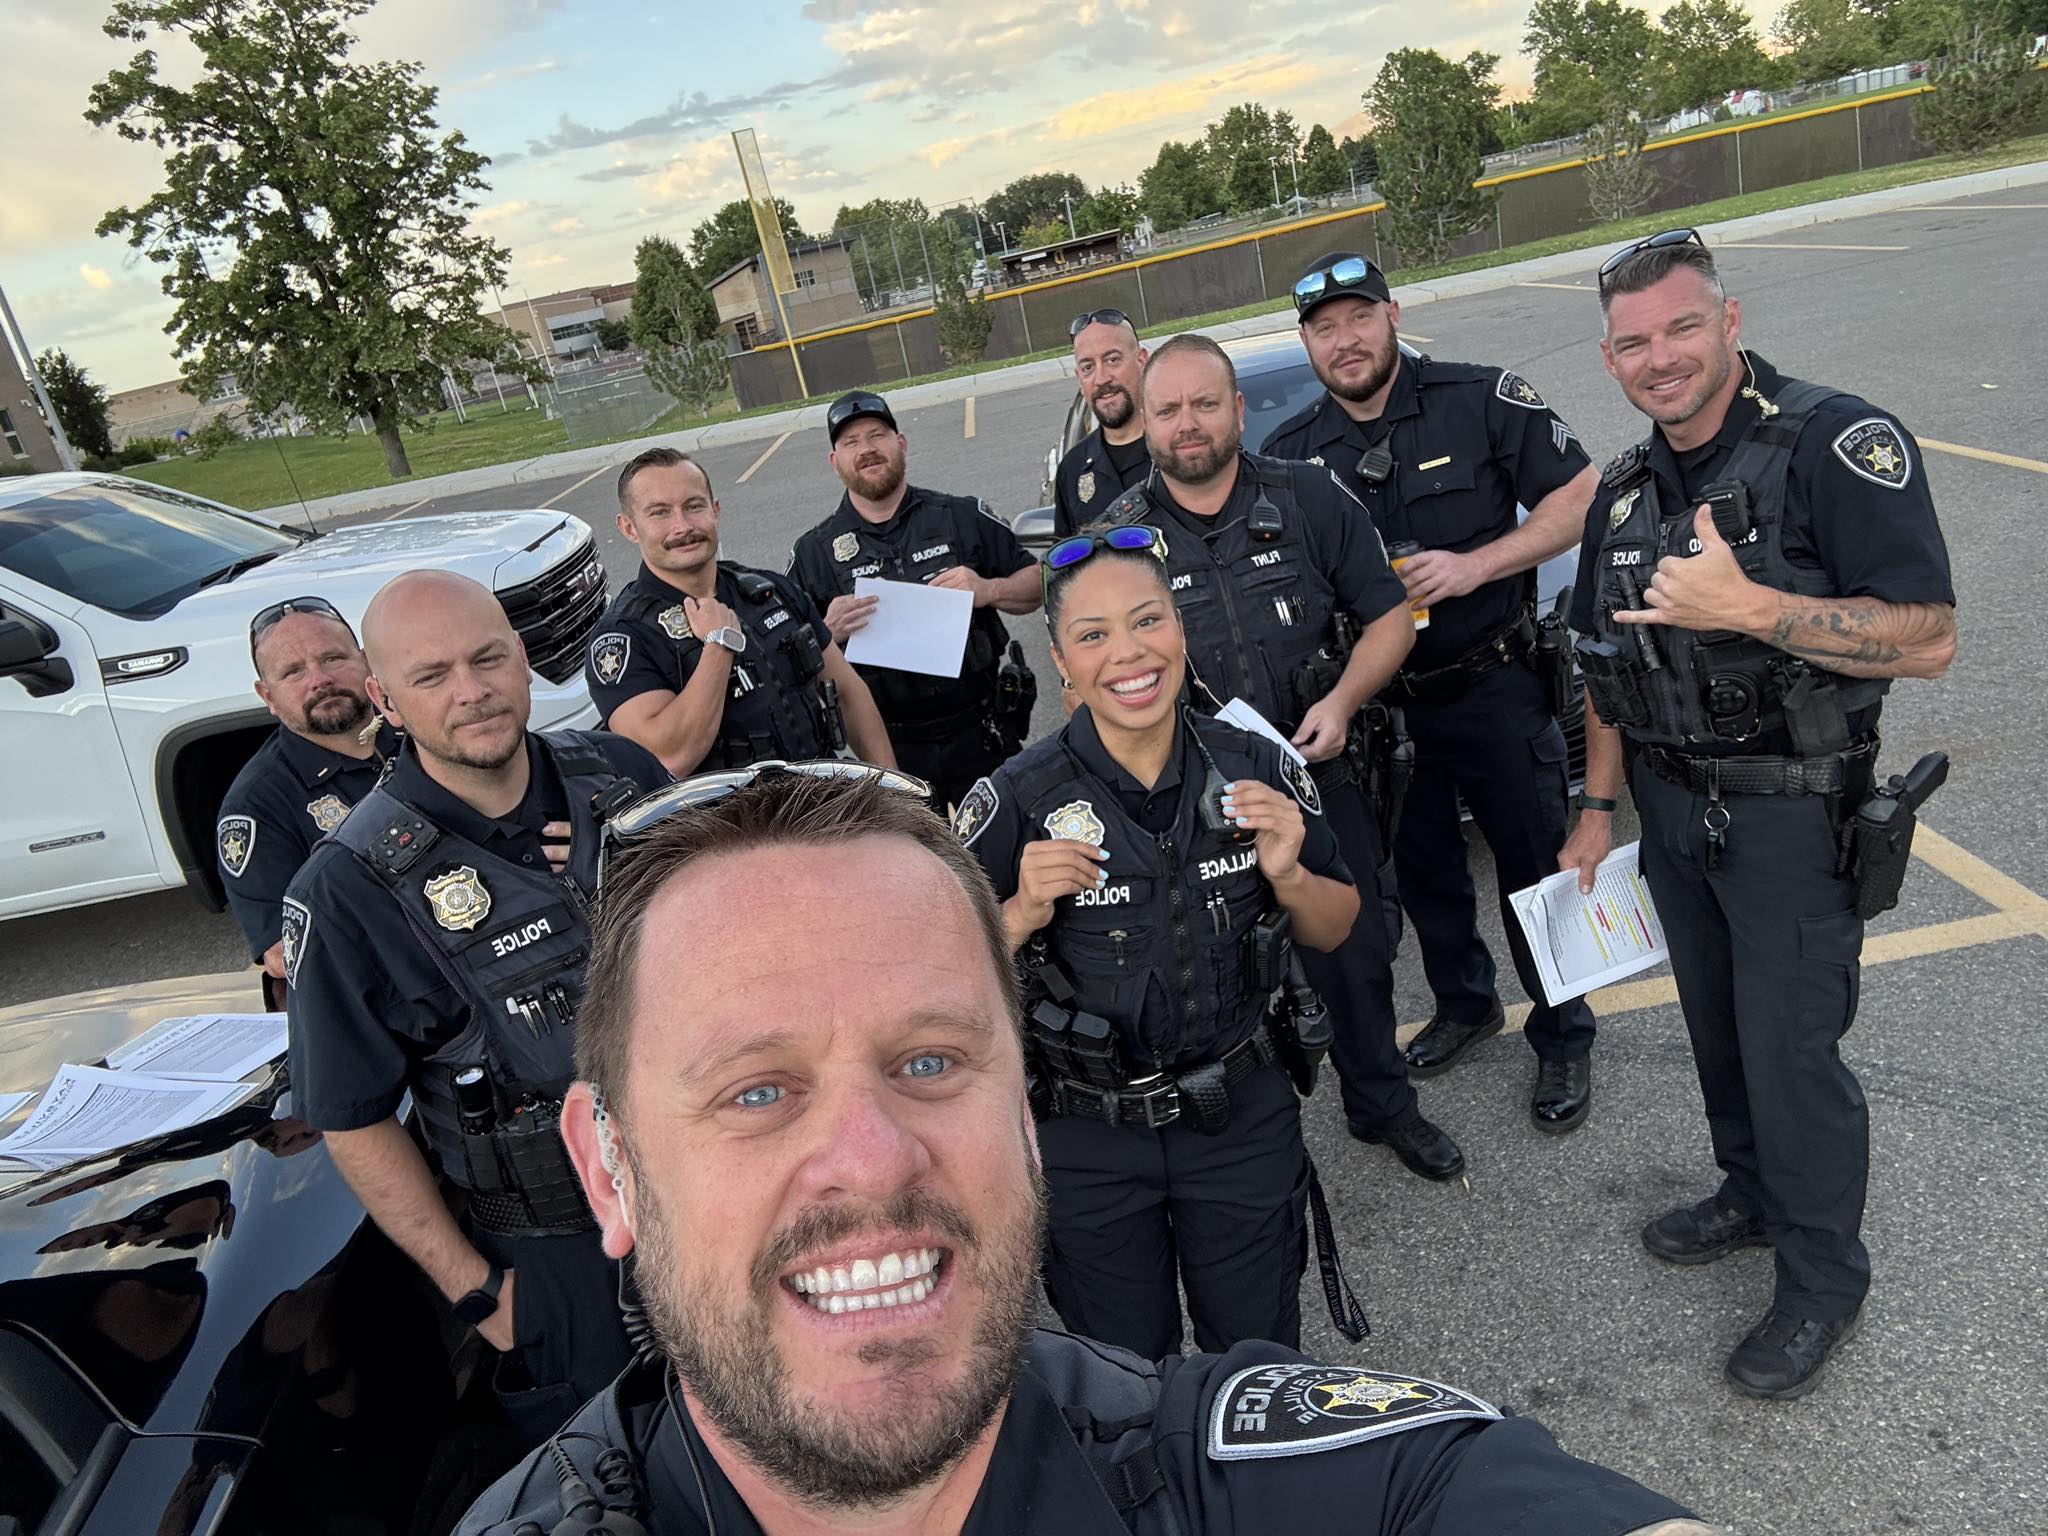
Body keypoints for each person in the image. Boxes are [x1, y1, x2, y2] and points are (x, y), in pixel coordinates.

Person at [454, 768, 1712, 1536]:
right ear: (608, 1168)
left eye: (931, 1063)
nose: (872, 1159)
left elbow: (1451, 1490)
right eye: (757, 1090)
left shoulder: (1231, 1478)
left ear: (1021, 1109)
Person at [1560, 230, 1956, 1398]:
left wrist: (1757, 608)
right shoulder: (1624, 487)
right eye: (1633, 342)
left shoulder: (1836, 440)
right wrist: (1595, 807)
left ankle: (1821, 1277)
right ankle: (1747, 1191)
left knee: (1791, 1057)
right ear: (1608, 357)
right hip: (1674, 814)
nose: (1659, 357)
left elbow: (1927, 635)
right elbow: (1600, 665)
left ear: (1727, 324)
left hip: (1790, 817)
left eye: (1681, 328)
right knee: (1717, 1034)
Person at [282, 571, 670, 1440]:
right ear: (384, 698)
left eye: (488, 657)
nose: (472, 692)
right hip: (562, 1259)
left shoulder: (623, 776)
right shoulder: (347, 889)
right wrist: (479, 1292)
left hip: (715, 1195)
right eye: (431, 676)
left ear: (524, 660)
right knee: (625, 1484)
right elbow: (351, 1120)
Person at [955, 526, 1358, 1356]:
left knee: (1255, 1362)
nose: (1128, 654)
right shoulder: (1015, 798)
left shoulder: (1257, 767)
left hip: (1238, 1117)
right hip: (1083, 1135)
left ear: (1180, 629)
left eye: (1148, 621)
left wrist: (1287, 872)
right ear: (1061, 662)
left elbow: (1338, 923)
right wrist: (1023, 911)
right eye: (1092, 635)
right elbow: (936, 982)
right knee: (1122, 1375)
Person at [1102, 333, 1465, 1182]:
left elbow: (1387, 617)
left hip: (1316, 777)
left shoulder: (1308, 498)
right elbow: (1091, 681)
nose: (1186, 424)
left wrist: (1342, 704)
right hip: (1194, 807)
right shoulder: (1115, 543)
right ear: (1144, 424)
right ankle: (1245, 1152)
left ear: (1234, 410)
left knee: (1355, 953)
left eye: (1203, 404)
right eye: (1167, 410)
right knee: (1214, 977)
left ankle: (1383, 1106)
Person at [1261, 252, 1603, 1133]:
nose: (1346, 341)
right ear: (1306, 343)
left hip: (1491, 684)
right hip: (1382, 707)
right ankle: (1464, 1004)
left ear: (1393, 316)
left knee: (1535, 866)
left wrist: (1476, 564)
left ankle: (1564, 1033)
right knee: (1426, 873)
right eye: (1325, 328)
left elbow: (1584, 495)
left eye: (1359, 318)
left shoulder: (1481, 397)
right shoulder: (1292, 456)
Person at [787, 391, 1039, 809]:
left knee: (1007, 858)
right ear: (835, 463)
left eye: (877, 435)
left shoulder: (961, 517)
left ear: (901, 444)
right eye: (851, 443)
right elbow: (784, 659)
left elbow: (1039, 583)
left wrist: (990, 590)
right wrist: (825, 633)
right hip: (889, 747)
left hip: (983, 731)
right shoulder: (814, 552)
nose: (866, 449)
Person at [588, 446, 895, 777]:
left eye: (694, 506)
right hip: (730, 825)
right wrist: (719, 644)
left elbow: (850, 695)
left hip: (822, 803)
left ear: (715, 510)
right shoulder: (625, 636)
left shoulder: (773, 591)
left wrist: (896, 792)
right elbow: (669, 757)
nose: (682, 526)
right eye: (659, 513)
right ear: (629, 528)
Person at [216, 595, 397, 997]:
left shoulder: (423, 732)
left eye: (332, 658)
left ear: (367, 662)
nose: (319, 679)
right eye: (293, 671)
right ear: (269, 697)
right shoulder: (257, 804)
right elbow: (284, 954)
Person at [1052, 309, 1153, 537]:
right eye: (1088, 367)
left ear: (1142, 361)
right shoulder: (1072, 468)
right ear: (1080, 379)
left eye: (1112, 360)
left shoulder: (1181, 448)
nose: (1101, 378)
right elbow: (1068, 567)